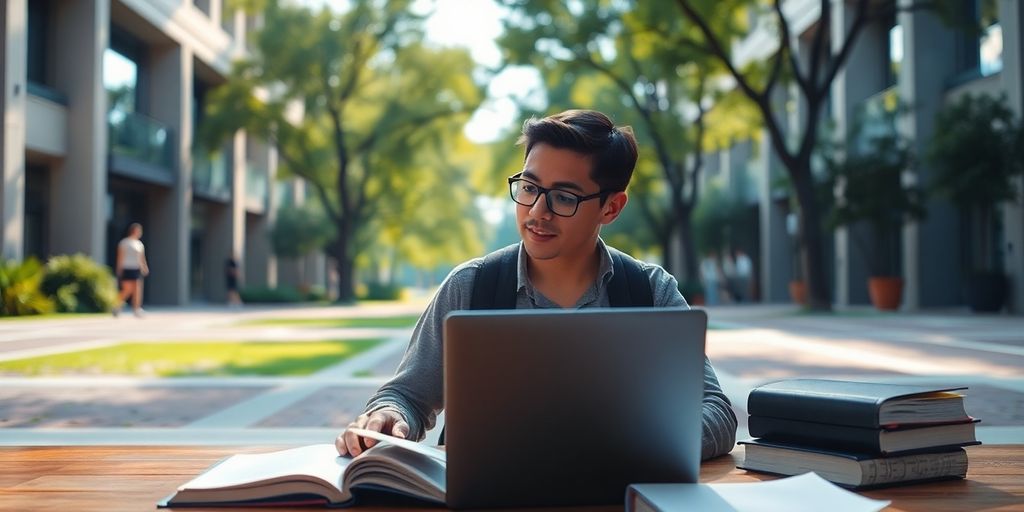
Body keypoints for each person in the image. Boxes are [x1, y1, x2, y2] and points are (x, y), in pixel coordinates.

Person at [335, 109, 737, 461]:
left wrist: (621, 446)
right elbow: (406, 396)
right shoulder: (470, 287)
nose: (536, 212)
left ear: (611, 207)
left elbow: (715, 411)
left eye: (564, 197)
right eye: (529, 188)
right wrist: (388, 416)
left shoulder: (651, 293)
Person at [113, 223, 149, 317]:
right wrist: (119, 269)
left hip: (136, 268)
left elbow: (142, 257)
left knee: (137, 289)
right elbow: (120, 257)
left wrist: (144, 267)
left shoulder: (139, 244)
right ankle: (116, 306)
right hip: (127, 268)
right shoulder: (124, 243)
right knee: (127, 290)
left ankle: (137, 309)